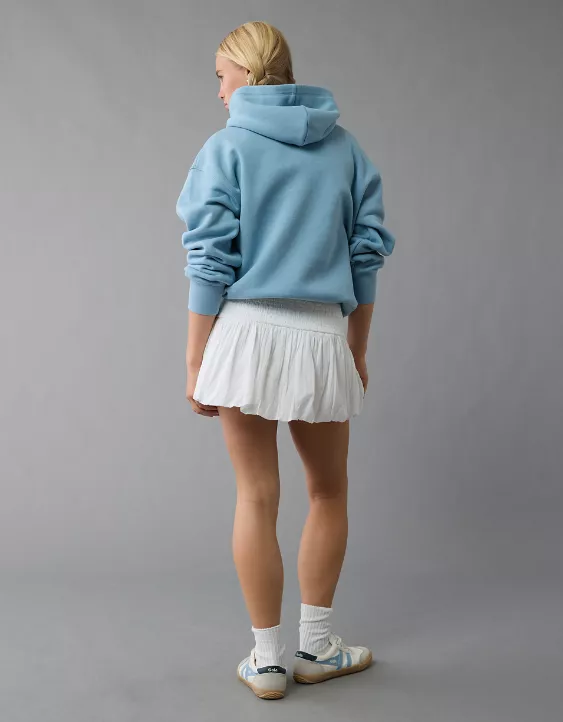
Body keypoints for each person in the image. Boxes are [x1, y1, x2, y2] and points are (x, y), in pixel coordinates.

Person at [175, 20, 396, 700]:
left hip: (244, 333)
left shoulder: (225, 147)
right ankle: (317, 647)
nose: (218, 92)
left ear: (245, 73)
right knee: (328, 491)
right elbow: (366, 254)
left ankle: (267, 661)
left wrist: (196, 359)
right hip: (321, 335)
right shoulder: (346, 149)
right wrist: (356, 348)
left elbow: (208, 259)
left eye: (221, 76)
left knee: (255, 495)